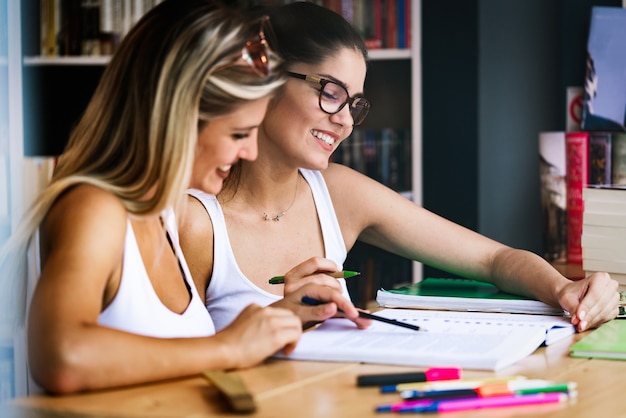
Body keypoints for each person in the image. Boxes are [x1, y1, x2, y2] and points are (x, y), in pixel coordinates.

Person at [180, 1, 620, 335]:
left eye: (355, 104)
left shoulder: (336, 193)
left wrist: (564, 289)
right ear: (267, 80)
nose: (345, 121)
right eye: (330, 92)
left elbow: (493, 258)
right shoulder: (195, 217)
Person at [0, 0, 365, 395]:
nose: (250, 153)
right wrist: (227, 346)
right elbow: (61, 357)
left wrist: (276, 320)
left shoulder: (165, 219)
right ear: (183, 116)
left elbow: (166, 354)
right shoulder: (95, 207)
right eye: (239, 134)